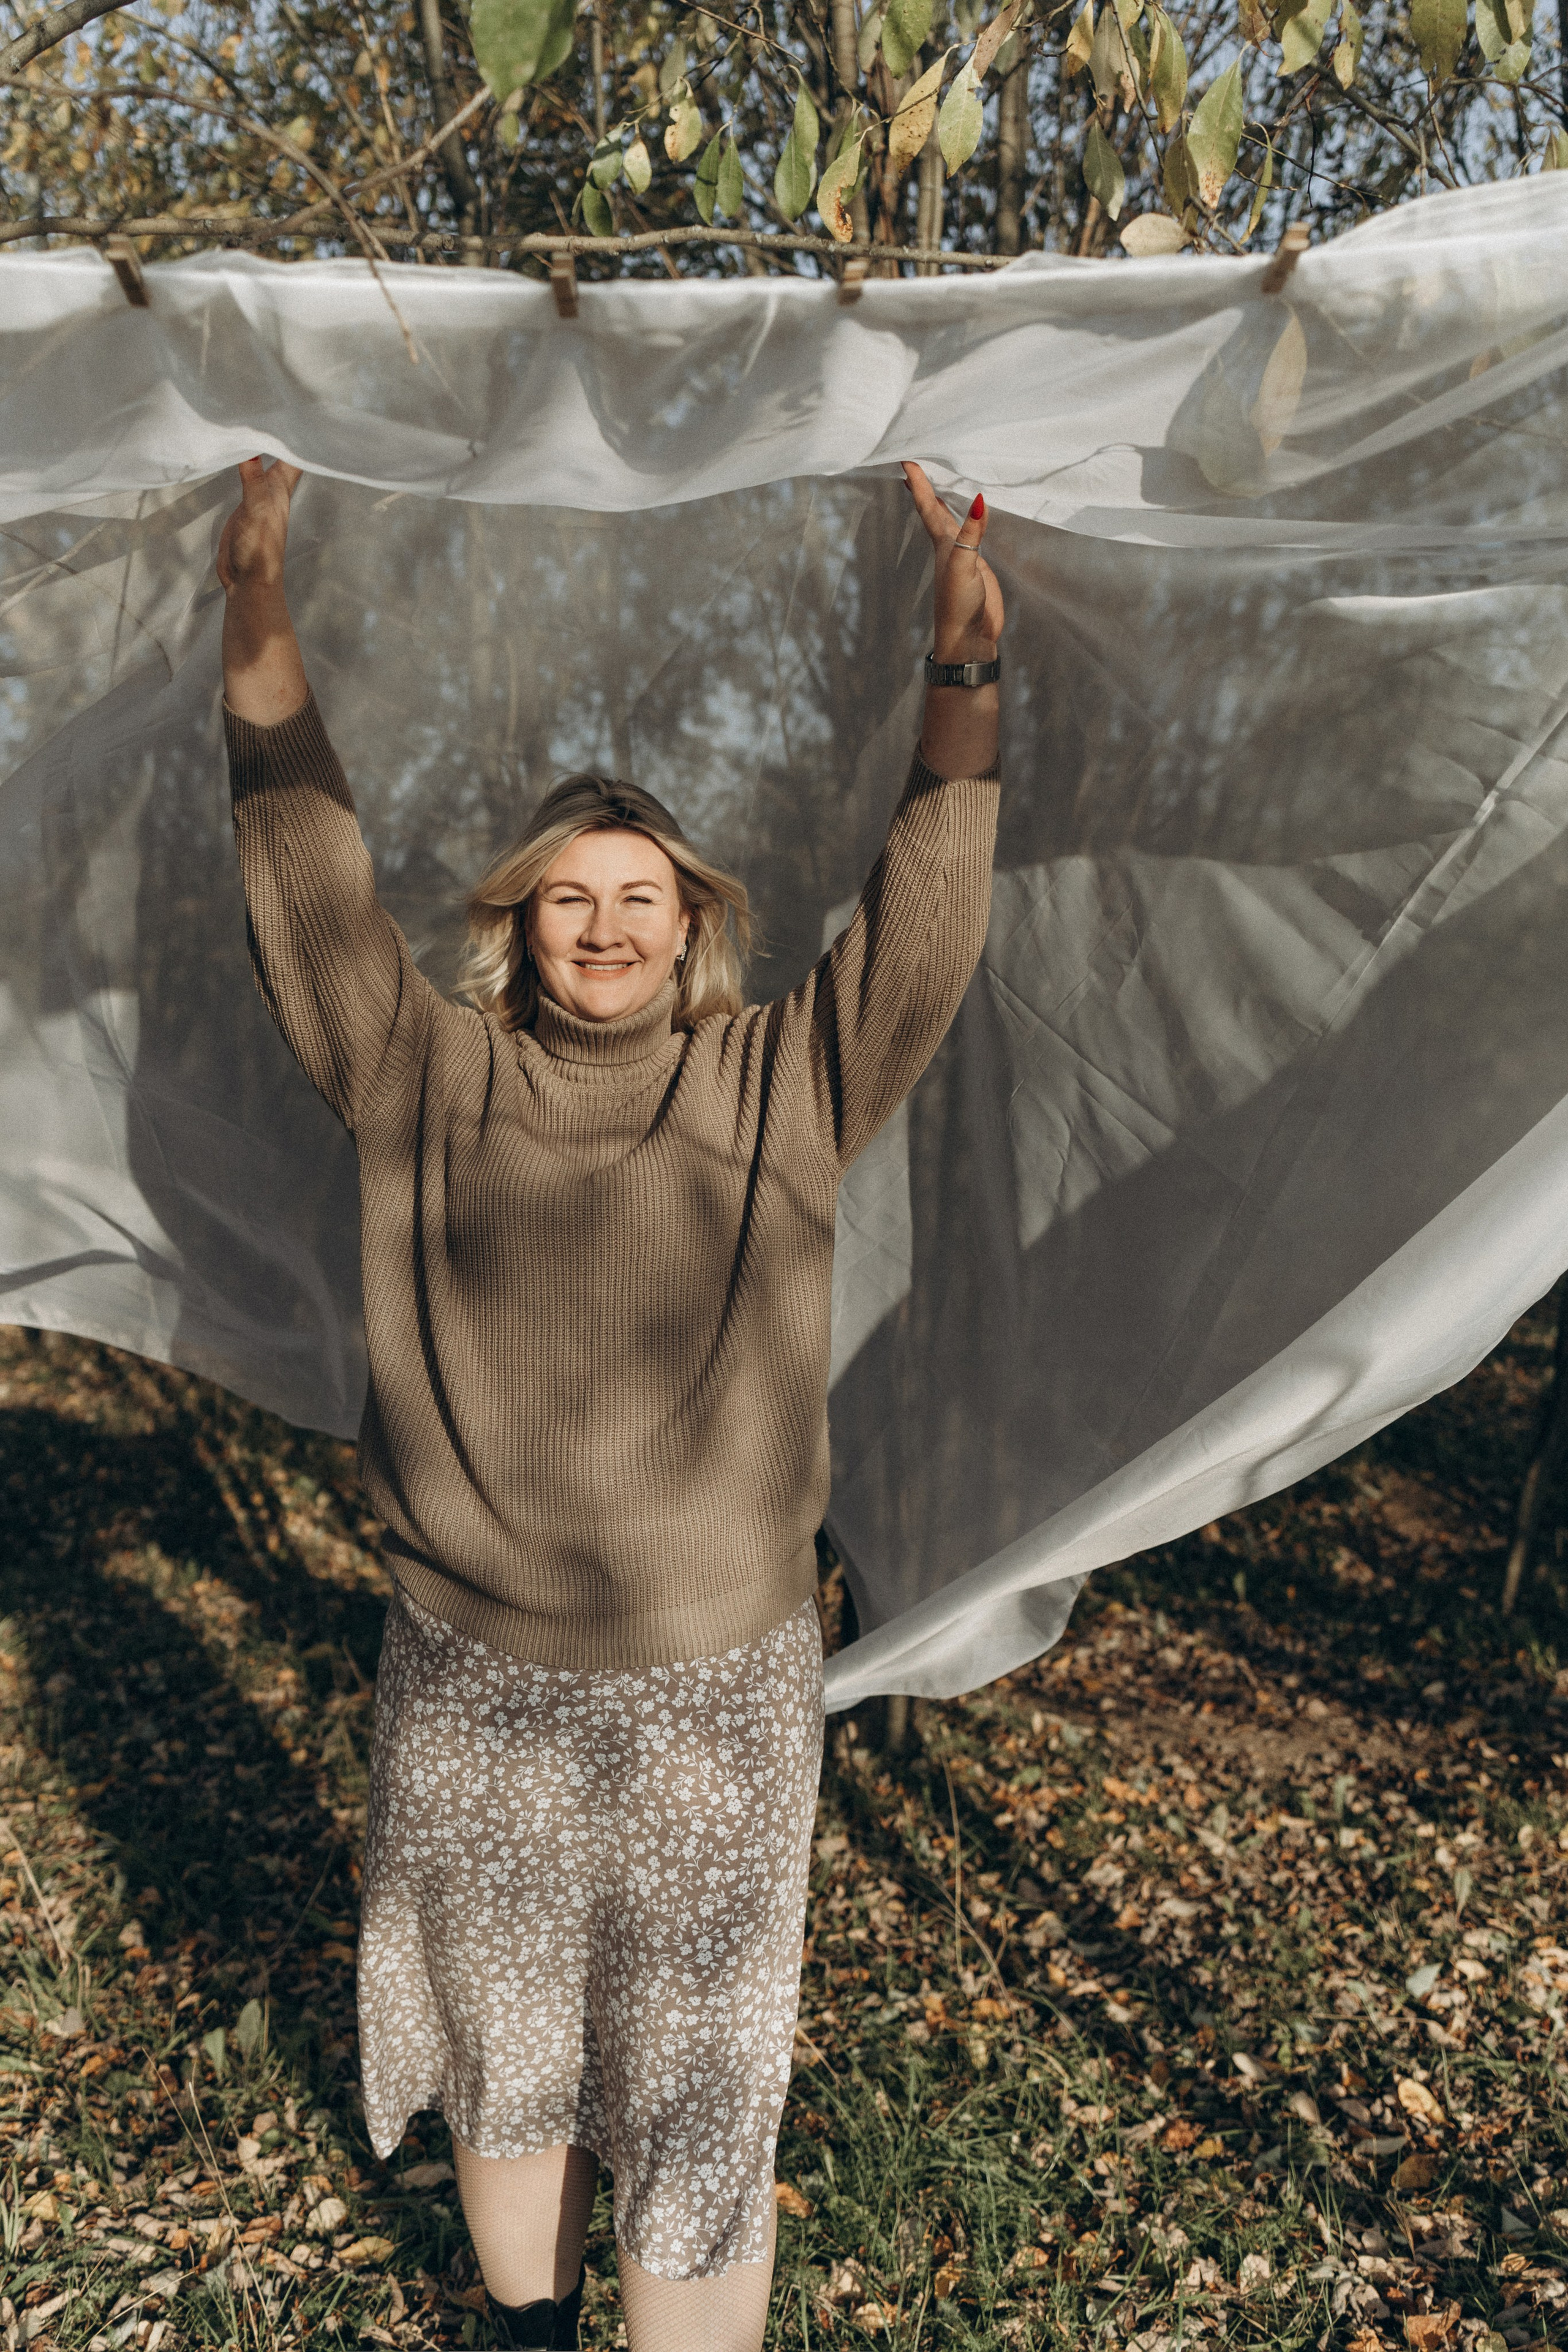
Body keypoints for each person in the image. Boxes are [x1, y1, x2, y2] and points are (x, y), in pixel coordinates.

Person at [216, 452, 1005, 2352]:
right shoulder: (421, 1076)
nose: (602, 927)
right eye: (567, 897)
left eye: (636, 896)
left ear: (691, 920)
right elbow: (305, 875)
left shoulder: (782, 1080)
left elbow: (926, 911)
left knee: (697, 2094)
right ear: (515, 924)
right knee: (512, 2055)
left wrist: (968, 652)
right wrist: (254, 600)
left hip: (717, 1686)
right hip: (471, 1668)